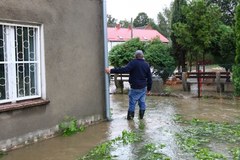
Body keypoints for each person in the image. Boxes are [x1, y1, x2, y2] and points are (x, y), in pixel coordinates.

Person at [105, 50, 152, 120]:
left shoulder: (133, 63)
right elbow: (149, 78)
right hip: (143, 88)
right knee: (142, 102)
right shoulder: (146, 64)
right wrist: (149, 89)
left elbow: (124, 69)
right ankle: (141, 118)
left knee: (132, 103)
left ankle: (130, 120)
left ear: (135, 56)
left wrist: (111, 70)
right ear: (142, 56)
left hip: (134, 87)